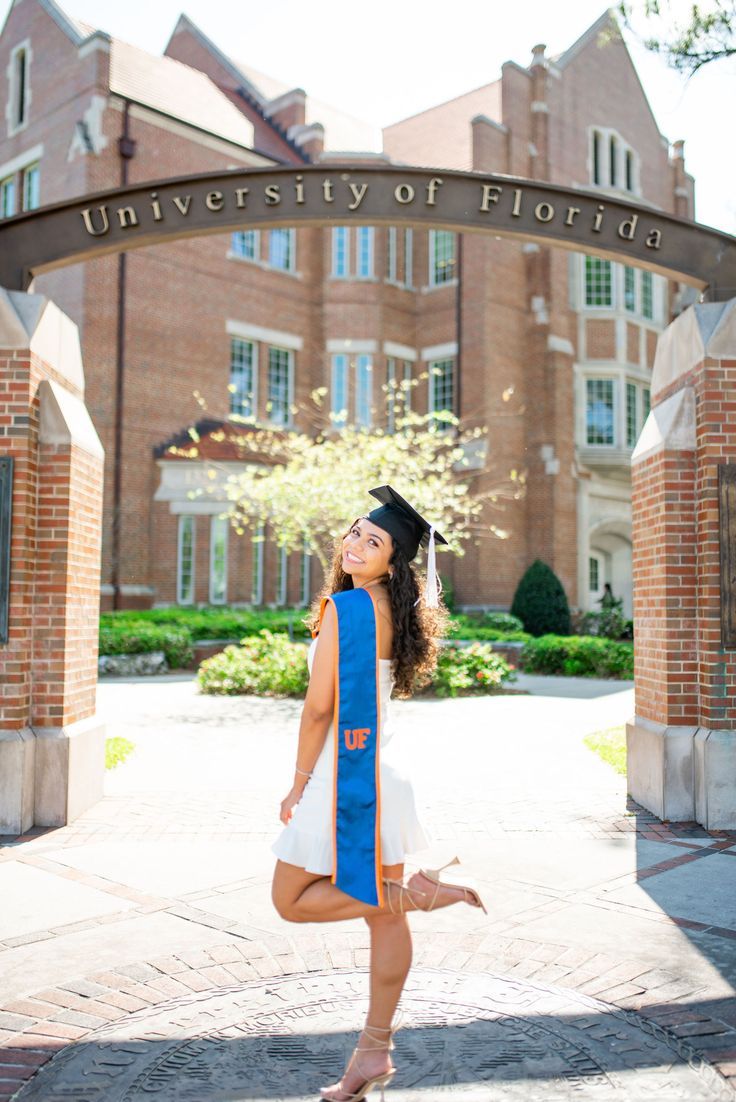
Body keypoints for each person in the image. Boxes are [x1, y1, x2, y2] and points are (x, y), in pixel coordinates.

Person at [270, 484, 487, 1102]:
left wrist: (298, 783)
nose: (356, 544)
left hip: (347, 777)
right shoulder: (391, 611)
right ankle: (373, 1051)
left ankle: (411, 896)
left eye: (375, 541)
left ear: (393, 563)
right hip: (381, 773)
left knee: (291, 900)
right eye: (356, 531)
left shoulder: (347, 610)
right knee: (380, 916)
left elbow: (318, 712)